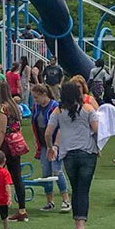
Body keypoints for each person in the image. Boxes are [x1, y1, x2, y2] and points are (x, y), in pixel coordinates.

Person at [45, 82, 99, 229]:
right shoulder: (88, 109)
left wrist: (51, 147)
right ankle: (81, 225)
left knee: (75, 189)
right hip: (87, 152)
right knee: (84, 190)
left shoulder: (58, 111)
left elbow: (48, 133)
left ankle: (77, 225)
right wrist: (98, 146)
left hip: (68, 153)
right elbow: (96, 129)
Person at [0, 80, 29, 222]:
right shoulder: (14, 106)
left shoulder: (3, 108)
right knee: (17, 177)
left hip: (6, 144)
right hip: (16, 143)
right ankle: (22, 209)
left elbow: (2, 131)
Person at [31, 84, 71, 212]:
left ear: (44, 94)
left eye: (36, 97)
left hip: (56, 143)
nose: (35, 100)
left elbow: (61, 127)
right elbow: (34, 124)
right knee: (45, 172)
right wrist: (36, 140)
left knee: (56, 170)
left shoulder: (55, 106)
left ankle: (66, 200)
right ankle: (50, 201)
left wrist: (56, 146)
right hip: (43, 144)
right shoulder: (36, 107)